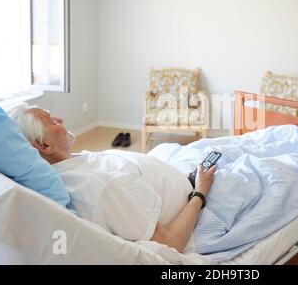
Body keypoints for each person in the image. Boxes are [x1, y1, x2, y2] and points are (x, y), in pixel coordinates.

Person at [12, 106, 216, 253]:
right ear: (44, 145)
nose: (60, 119)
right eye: (52, 121)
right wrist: (200, 190)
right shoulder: (103, 187)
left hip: (179, 174)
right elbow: (170, 242)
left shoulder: (74, 163)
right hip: (196, 198)